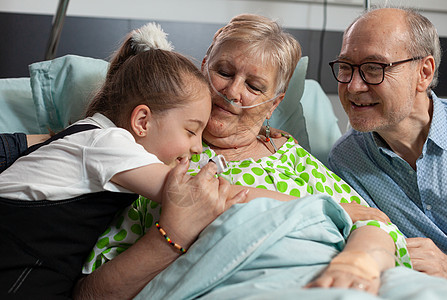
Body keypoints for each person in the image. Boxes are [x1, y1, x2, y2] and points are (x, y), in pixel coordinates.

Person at [76, 14, 416, 299]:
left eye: (254, 86)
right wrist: (171, 236)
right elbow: (93, 291)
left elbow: (378, 225)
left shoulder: (295, 159)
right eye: (224, 72)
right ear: (204, 66)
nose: (233, 92)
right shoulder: (157, 151)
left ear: (275, 103)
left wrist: (357, 261)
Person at [0, 22, 255, 298]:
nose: (198, 148)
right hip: (18, 255)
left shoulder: (95, 132)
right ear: (142, 121)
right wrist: (303, 206)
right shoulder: (111, 144)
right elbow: (194, 194)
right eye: (191, 131)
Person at [327, 7, 447, 279]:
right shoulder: (345, 162)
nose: (353, 87)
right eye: (346, 67)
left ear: (424, 72)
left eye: (374, 68)